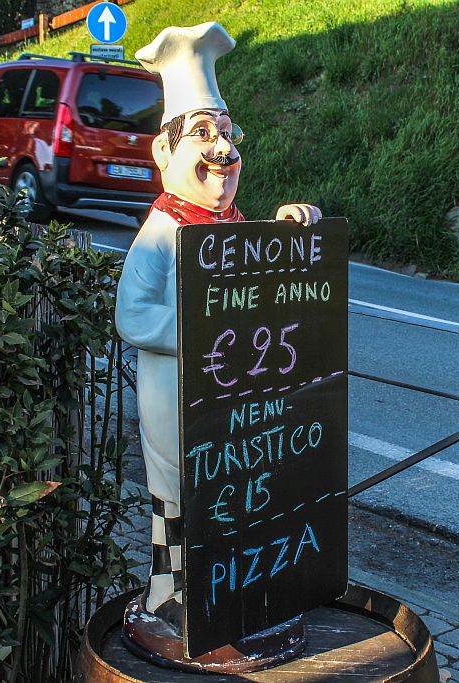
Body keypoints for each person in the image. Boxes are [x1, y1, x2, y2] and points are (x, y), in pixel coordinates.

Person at [115, 22, 321, 640]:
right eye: (204, 134)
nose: (221, 150)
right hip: (174, 391)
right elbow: (132, 313)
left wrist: (288, 232)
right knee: (178, 495)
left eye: (227, 134)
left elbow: (256, 281)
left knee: (232, 489)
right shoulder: (161, 232)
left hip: (228, 393)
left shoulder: (229, 226)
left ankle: (229, 589)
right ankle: (170, 593)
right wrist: (199, 331)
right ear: (164, 153)